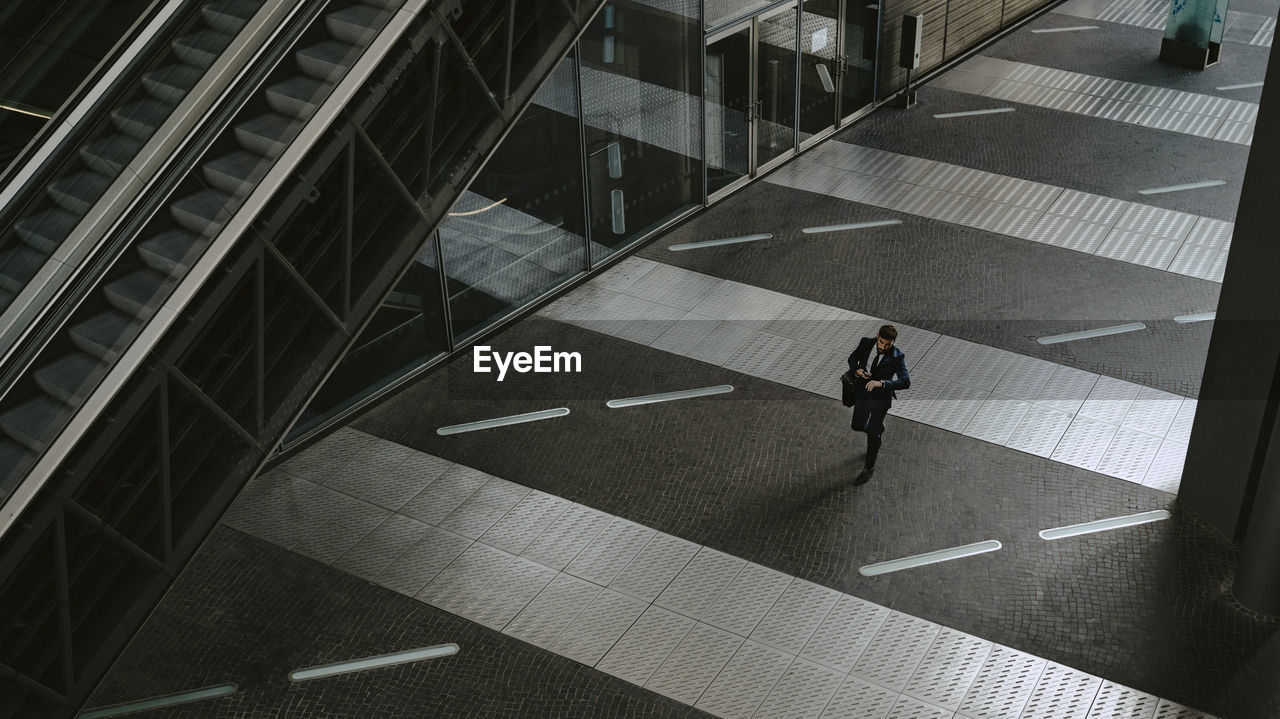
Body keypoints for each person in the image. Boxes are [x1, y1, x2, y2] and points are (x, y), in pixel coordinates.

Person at [847, 324, 910, 485]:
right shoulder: (866, 342)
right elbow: (852, 359)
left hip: (880, 401)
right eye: (881, 342)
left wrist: (881, 383)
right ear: (877, 336)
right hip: (862, 394)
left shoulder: (897, 356)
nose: (884, 347)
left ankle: (869, 468)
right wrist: (857, 371)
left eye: (888, 344)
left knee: (873, 435)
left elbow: (905, 382)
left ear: (893, 342)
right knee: (857, 425)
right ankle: (878, 428)